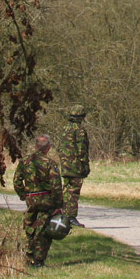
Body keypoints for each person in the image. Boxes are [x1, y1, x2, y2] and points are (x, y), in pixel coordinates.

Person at [13, 134, 63, 268]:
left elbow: (17, 181)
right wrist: (59, 205)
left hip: (31, 199)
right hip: (46, 200)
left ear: (35, 146)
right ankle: (39, 260)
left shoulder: (25, 162)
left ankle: (28, 256)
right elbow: (56, 186)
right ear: (48, 148)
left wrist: (24, 195)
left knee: (30, 227)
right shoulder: (50, 163)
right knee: (44, 230)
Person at [58, 104, 90, 228]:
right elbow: (82, 150)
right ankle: (70, 217)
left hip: (65, 165)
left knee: (66, 190)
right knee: (73, 192)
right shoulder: (79, 130)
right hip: (75, 166)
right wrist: (85, 165)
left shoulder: (65, 128)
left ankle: (64, 215)